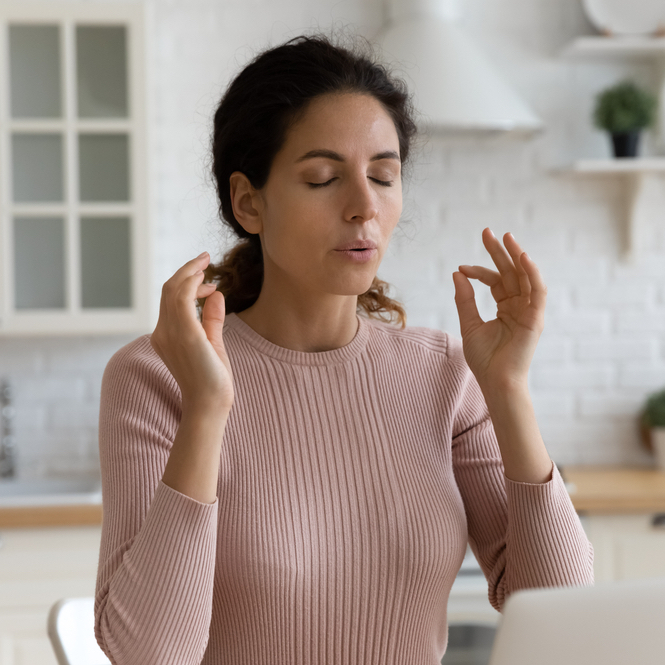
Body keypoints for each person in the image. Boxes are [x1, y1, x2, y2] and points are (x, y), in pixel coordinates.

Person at [94, 33, 594, 665]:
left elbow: (562, 615)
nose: (365, 207)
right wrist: (207, 410)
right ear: (249, 201)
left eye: (383, 176)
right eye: (324, 178)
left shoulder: (441, 372)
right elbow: (149, 654)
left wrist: (510, 392)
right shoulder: (158, 377)